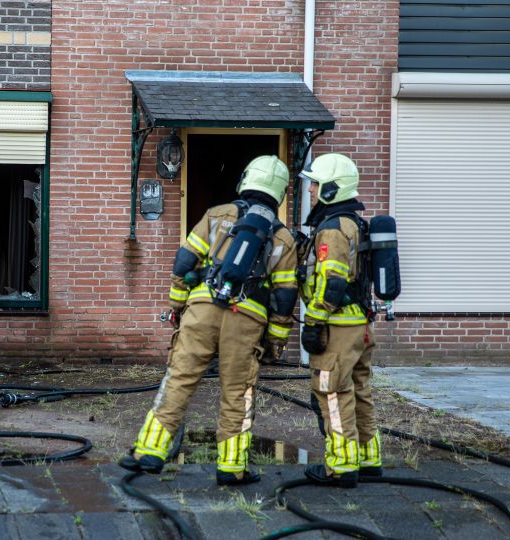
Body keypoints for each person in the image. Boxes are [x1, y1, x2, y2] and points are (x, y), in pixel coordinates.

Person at [118, 155, 299, 485]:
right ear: (281, 192)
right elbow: (285, 299)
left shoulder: (217, 216)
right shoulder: (284, 239)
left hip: (201, 310)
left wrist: (177, 307)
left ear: (246, 180)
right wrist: (276, 341)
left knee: (179, 379)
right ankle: (232, 467)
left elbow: (183, 262)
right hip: (247, 320)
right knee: (238, 392)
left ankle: (149, 452)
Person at [298, 152, 381, 489]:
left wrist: (314, 323)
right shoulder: (354, 223)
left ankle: (342, 466)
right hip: (359, 325)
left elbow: (333, 282)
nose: (311, 190)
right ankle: (367, 458)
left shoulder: (332, 229)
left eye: (316, 184)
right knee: (359, 390)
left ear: (331, 189)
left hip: (338, 329)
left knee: (332, 392)